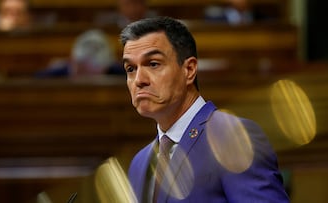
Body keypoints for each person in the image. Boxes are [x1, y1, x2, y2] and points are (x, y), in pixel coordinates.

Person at [120, 16, 290, 202]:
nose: (139, 80)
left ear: (189, 70)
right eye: (130, 69)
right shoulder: (139, 162)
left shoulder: (232, 138)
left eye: (153, 64)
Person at [35, 29, 124, 78]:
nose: (88, 78)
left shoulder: (117, 72)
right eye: (83, 69)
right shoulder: (50, 77)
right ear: (73, 61)